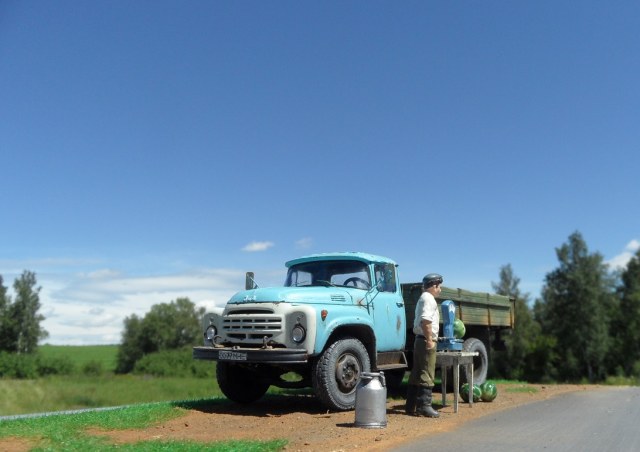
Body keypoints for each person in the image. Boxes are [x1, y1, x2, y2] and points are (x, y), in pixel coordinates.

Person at [405, 273, 442, 417]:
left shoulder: (423, 297)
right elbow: (426, 321)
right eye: (438, 287)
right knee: (427, 372)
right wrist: (430, 340)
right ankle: (424, 406)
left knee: (417, 372)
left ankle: (411, 405)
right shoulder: (429, 299)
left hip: (419, 339)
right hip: (426, 339)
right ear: (433, 286)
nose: (440, 290)